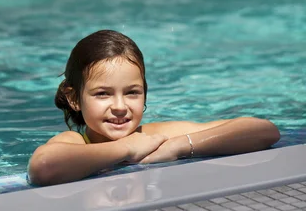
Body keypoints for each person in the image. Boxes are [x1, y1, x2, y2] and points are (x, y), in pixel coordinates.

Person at [28, 30, 280, 186]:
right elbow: (44, 166)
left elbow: (264, 130)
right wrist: (125, 148)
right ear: (74, 99)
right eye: (102, 94)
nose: (119, 106)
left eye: (132, 92)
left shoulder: (155, 136)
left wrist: (180, 146)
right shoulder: (76, 142)